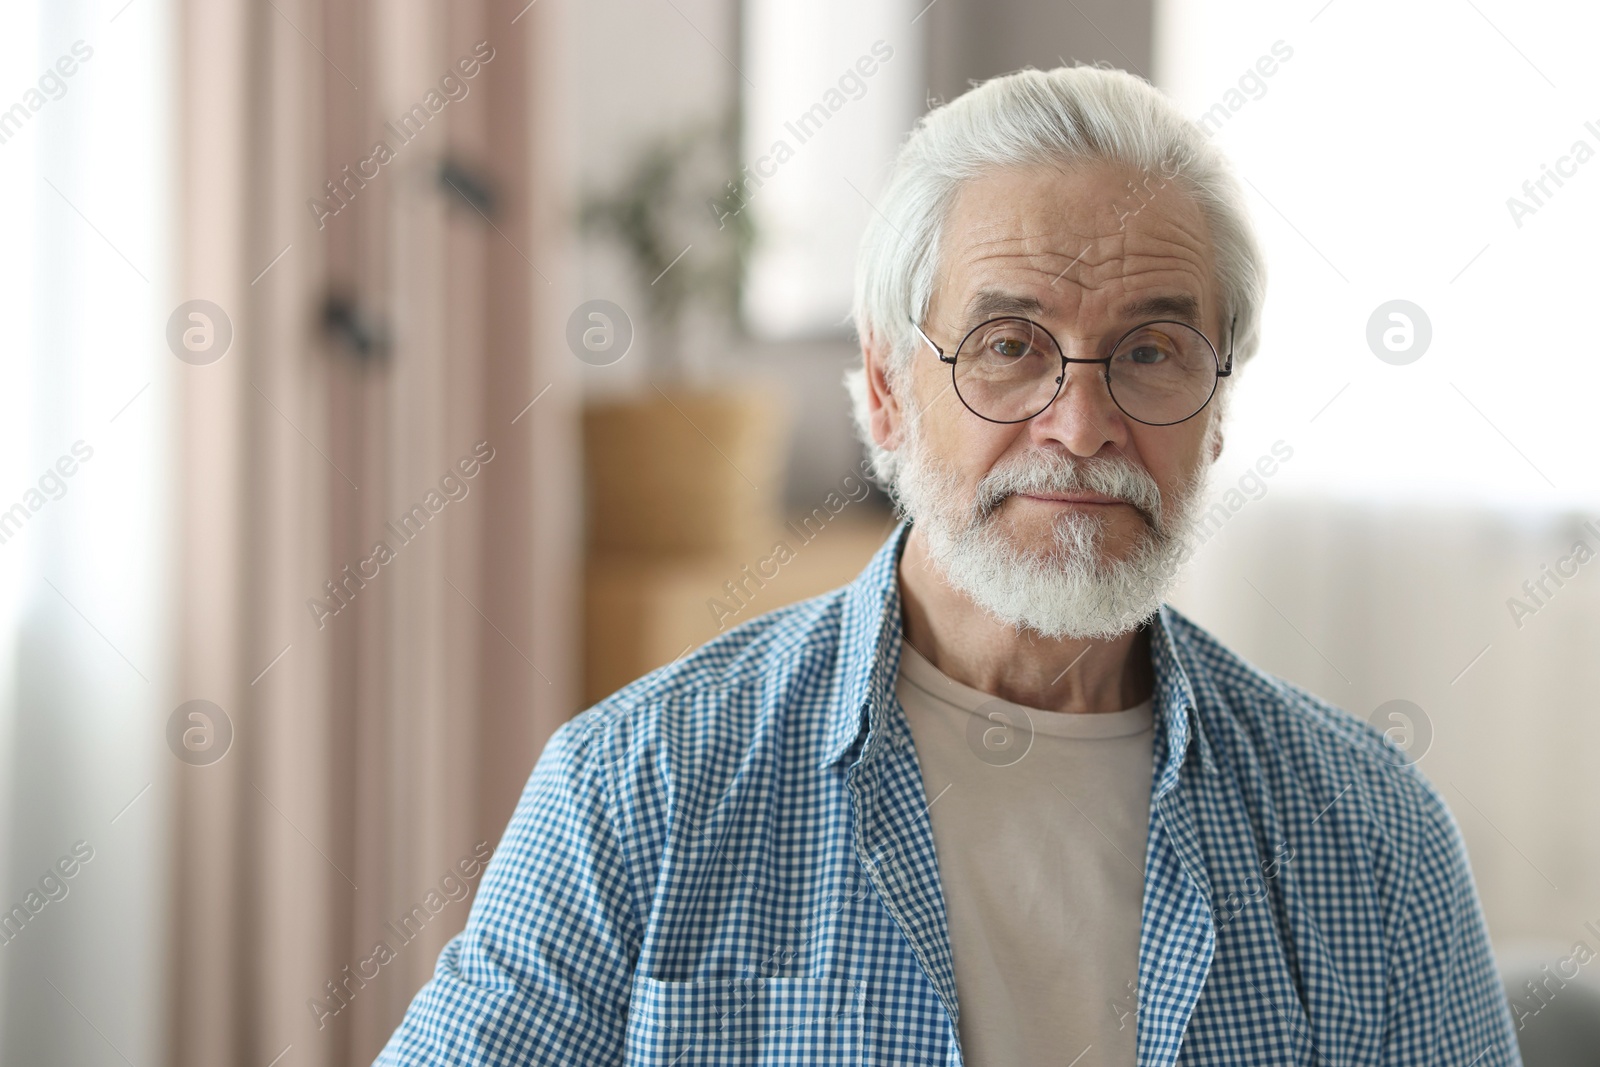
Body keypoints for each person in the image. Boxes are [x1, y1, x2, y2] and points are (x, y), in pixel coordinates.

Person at [374, 64, 1522, 1065]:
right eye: (1010, 346)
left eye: (1153, 352)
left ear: (1218, 410)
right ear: (884, 387)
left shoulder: (1373, 845)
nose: (1081, 424)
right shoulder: (638, 790)